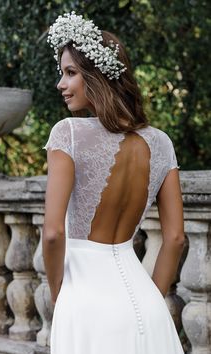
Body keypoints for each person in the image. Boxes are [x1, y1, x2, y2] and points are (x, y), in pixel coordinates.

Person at [43, 11, 185, 354]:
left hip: (85, 304)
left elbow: (52, 233)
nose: (61, 84)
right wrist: (153, 295)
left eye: (71, 73)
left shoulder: (69, 134)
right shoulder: (161, 143)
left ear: (98, 76)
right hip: (147, 305)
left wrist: (60, 294)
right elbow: (176, 238)